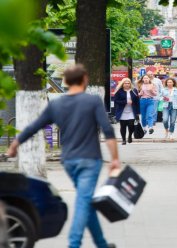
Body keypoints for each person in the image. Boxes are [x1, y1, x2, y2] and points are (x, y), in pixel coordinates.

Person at [7, 64, 119, 248]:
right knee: (83, 202)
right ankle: (73, 244)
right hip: (90, 160)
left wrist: (14, 145)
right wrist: (115, 158)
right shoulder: (93, 101)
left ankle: (102, 244)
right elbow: (107, 130)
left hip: (69, 161)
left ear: (66, 81)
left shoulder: (56, 104)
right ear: (84, 79)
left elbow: (33, 127)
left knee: (86, 200)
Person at [114, 78, 140, 145]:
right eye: (125, 83)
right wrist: (125, 101)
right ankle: (123, 139)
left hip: (132, 111)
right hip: (122, 111)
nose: (127, 84)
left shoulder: (134, 90)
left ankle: (130, 136)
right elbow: (116, 101)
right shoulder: (119, 91)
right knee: (123, 126)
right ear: (122, 84)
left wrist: (138, 112)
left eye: (128, 83)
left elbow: (137, 101)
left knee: (131, 125)